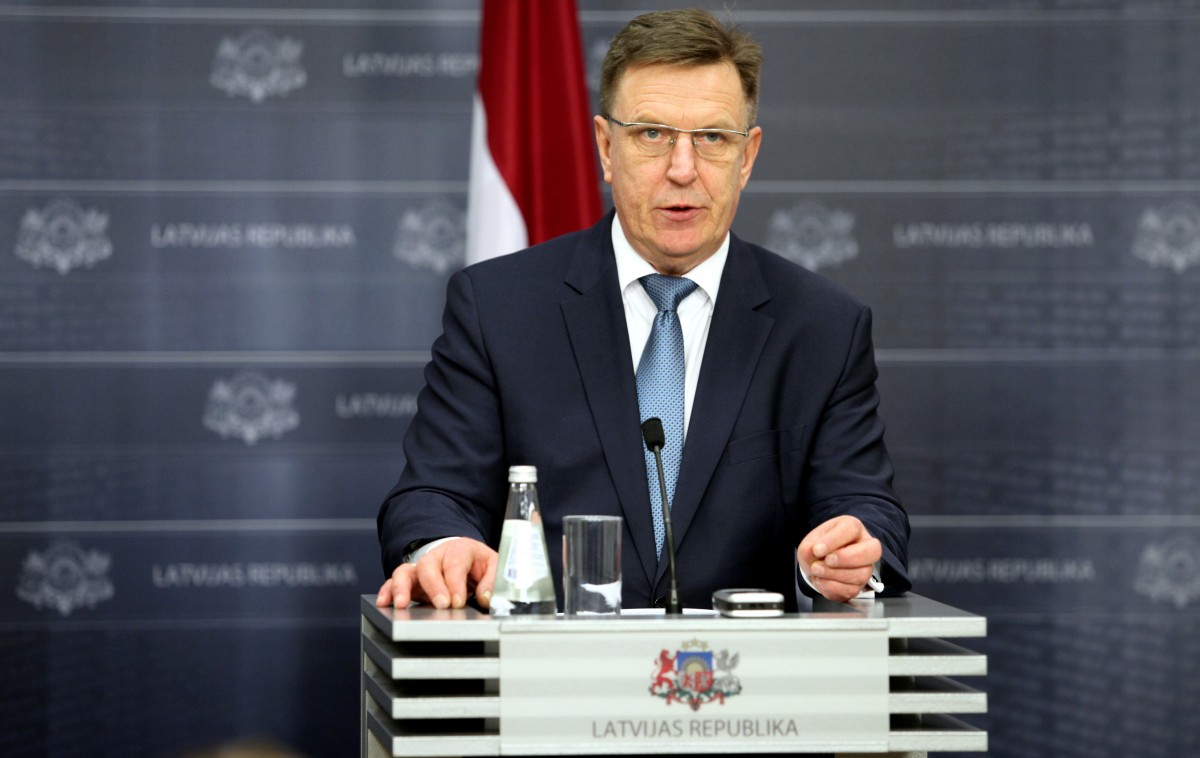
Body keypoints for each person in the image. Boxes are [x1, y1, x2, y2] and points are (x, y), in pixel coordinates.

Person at [377, 8, 910, 612]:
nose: (682, 170)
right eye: (652, 134)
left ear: (747, 157)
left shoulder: (822, 327)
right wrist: (445, 546)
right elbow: (432, 494)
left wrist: (849, 556)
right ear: (607, 148)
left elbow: (868, 510)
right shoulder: (499, 308)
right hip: (548, 661)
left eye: (712, 138)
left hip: (745, 669)